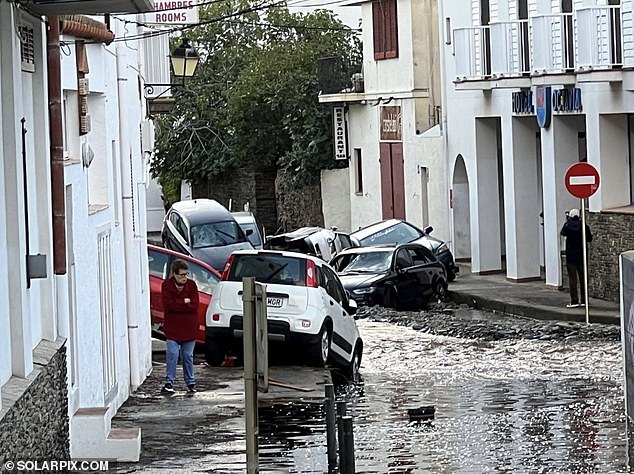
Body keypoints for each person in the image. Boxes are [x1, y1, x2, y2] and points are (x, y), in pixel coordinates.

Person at [161, 259, 200, 394]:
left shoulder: (192, 285)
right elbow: (169, 306)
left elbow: (194, 305)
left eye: (186, 274)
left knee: (187, 355)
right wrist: (184, 302)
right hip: (173, 328)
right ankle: (169, 382)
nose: (184, 277)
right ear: (175, 274)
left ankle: (190, 382)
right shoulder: (167, 286)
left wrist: (179, 303)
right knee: (172, 353)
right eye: (182, 275)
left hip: (189, 327)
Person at [560, 208, 593, 308]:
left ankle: (574, 300)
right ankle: (584, 300)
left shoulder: (568, 226)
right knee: (583, 278)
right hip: (581, 255)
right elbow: (589, 238)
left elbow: (562, 233)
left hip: (571, 255)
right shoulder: (583, 226)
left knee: (572, 279)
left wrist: (567, 221)